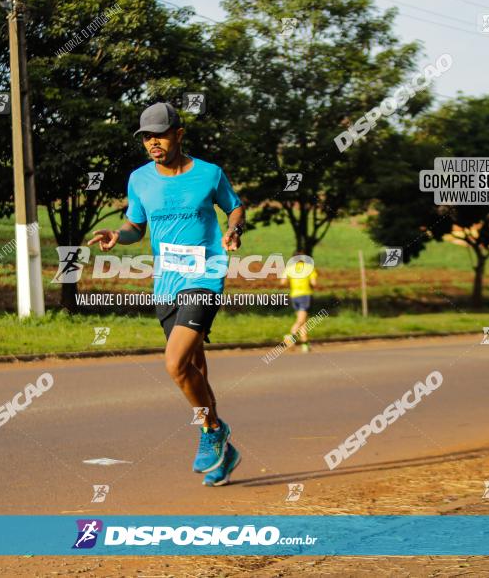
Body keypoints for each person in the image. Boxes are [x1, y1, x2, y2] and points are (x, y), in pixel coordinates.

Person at [88, 102, 245, 487]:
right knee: (196, 368)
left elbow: (235, 208)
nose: (152, 143)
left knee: (174, 364)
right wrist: (116, 235)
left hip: (205, 277)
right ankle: (223, 450)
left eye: (159, 134)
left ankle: (211, 431)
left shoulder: (210, 174)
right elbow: (135, 226)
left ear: (178, 133)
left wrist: (235, 230)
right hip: (166, 283)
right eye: (146, 137)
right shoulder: (139, 179)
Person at [280, 254, 317, 352]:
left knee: (303, 322)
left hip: (294, 296)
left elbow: (283, 282)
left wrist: (292, 283)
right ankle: (291, 336)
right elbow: (314, 283)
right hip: (305, 296)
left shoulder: (289, 269)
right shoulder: (309, 268)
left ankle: (305, 345)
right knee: (301, 321)